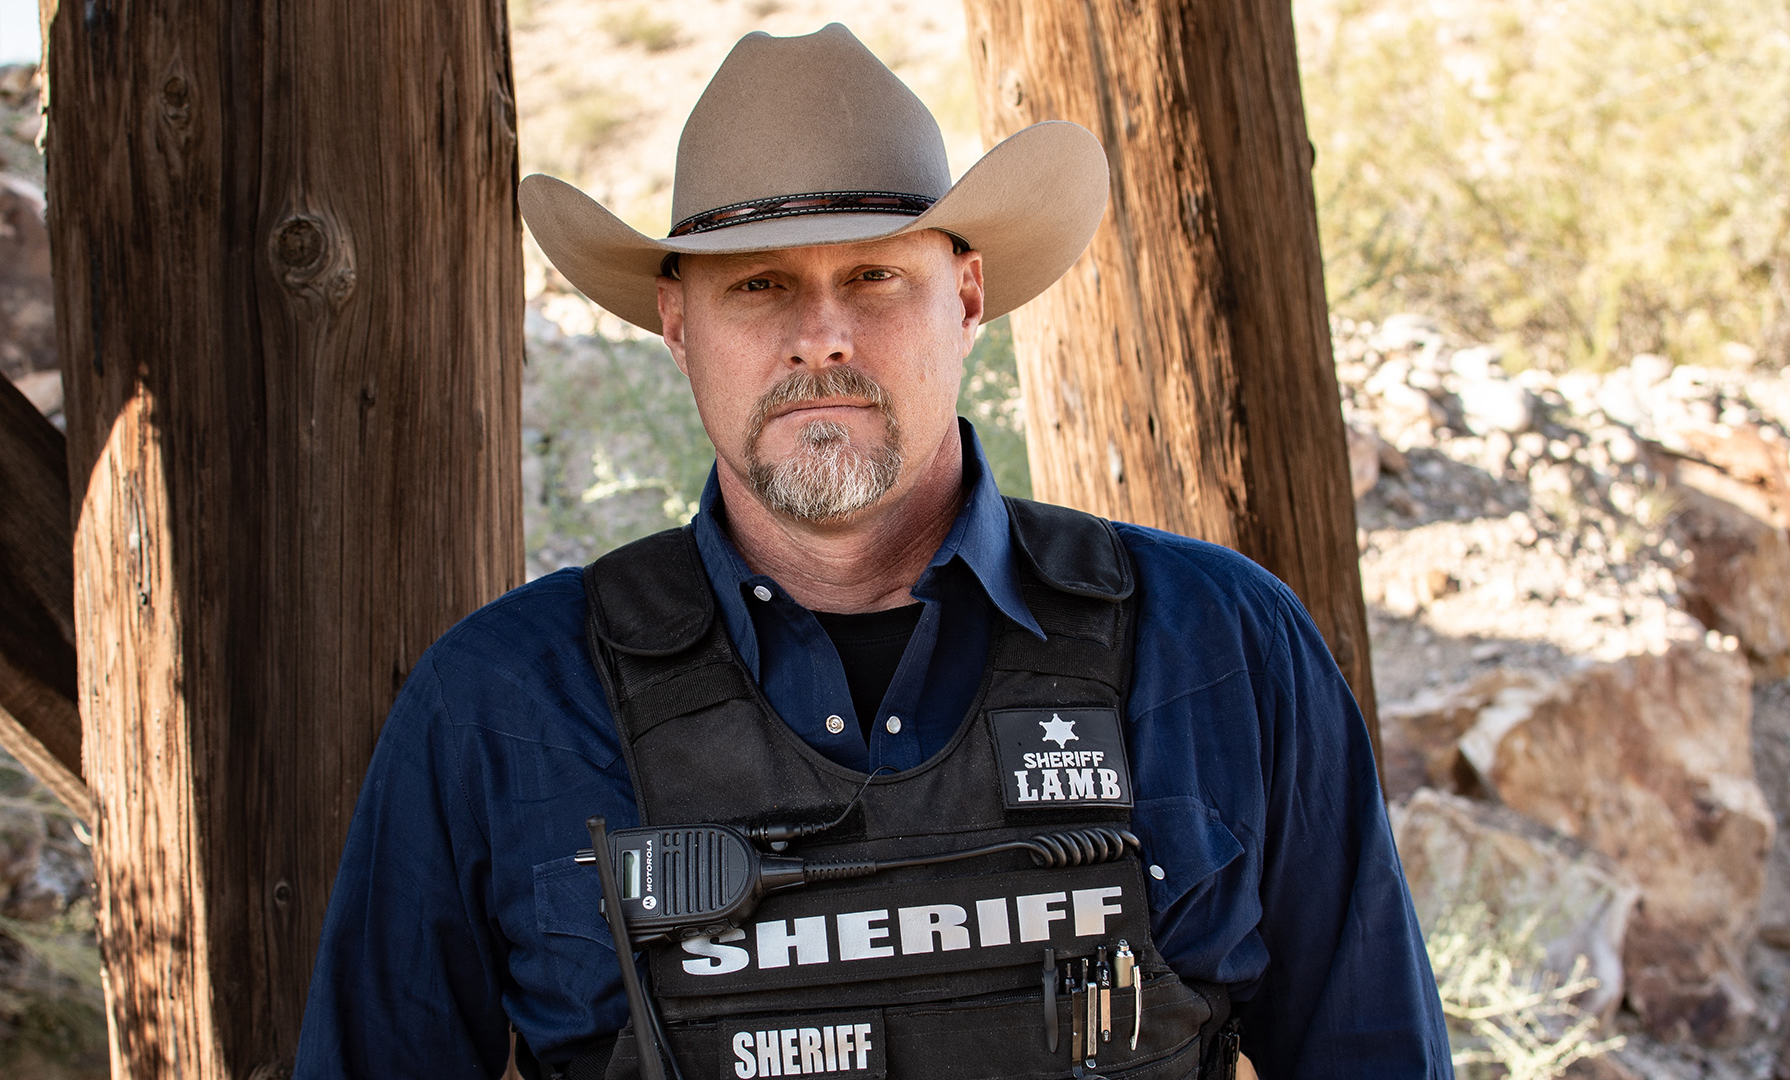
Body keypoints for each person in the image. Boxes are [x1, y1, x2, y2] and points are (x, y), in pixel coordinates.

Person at [293, 23, 1452, 1080]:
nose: (821, 336)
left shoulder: (1224, 649)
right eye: (759, 286)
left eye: (873, 275)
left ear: (967, 295)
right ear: (679, 324)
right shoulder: (500, 706)